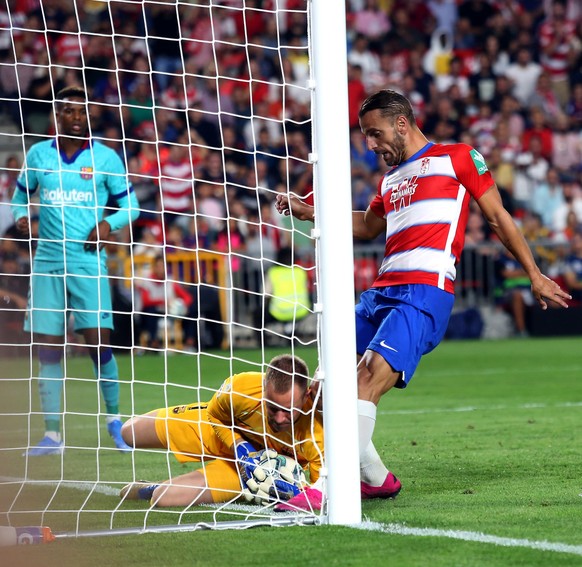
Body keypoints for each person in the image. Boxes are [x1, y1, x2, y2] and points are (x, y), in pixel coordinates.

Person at [275, 89, 570, 499]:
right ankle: (376, 479)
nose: (371, 145)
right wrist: (313, 212)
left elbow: (499, 218)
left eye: (375, 134)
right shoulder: (391, 179)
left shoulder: (458, 157)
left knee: (366, 378)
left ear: (401, 124)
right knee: (323, 390)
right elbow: (367, 226)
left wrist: (534, 274)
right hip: (381, 292)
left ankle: (328, 488)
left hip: (424, 292)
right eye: (366, 136)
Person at [11, 85, 140, 456]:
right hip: (48, 262)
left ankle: (116, 423)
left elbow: (131, 207)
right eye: (71, 111)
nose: (78, 117)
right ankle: (52, 436)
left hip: (88, 263)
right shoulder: (38, 154)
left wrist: (109, 225)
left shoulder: (106, 157)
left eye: (83, 112)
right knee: (48, 348)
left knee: (98, 341)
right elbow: (19, 198)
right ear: (58, 115)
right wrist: (21, 217)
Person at [119, 354, 325, 508]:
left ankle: (151, 487)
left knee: (163, 498)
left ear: (306, 395)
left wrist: (276, 485)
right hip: (221, 432)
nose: (280, 418)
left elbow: (317, 493)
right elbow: (214, 413)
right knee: (129, 432)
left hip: (253, 472)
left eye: (288, 411)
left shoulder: (318, 437)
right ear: (263, 391)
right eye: (272, 408)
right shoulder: (242, 387)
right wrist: (239, 446)